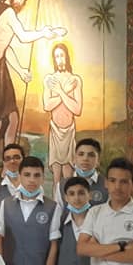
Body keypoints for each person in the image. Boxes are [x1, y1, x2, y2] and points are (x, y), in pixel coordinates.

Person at [0, 0, 65, 186]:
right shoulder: (7, 12)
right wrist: (44, 33)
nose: (21, 1)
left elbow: (5, 47)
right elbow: (22, 37)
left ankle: (3, 169)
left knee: (10, 119)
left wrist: (21, 70)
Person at [42, 43, 83, 181]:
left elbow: (77, 109)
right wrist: (63, 91)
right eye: (57, 56)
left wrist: (60, 91)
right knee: (56, 179)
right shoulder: (49, 80)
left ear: (67, 57)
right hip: (55, 131)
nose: (60, 59)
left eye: (62, 55)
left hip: (69, 132)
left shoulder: (75, 80)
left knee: (68, 178)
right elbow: (47, 105)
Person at [55, 138, 108, 206]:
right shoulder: (62, 185)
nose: (85, 158)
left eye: (91, 155)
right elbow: (58, 213)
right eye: (81, 154)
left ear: (98, 161)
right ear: (74, 159)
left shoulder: (107, 185)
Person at [0, 143, 25, 220]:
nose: (12, 161)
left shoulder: (33, 187)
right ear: (4, 162)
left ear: (23, 159)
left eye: (16, 157)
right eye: (8, 158)